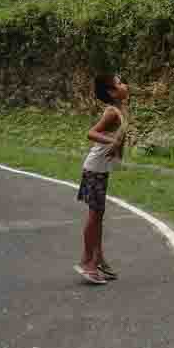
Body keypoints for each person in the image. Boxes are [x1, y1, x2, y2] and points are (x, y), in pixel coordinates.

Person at [75, 73, 128, 285]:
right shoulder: (111, 112)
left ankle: (98, 259)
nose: (125, 85)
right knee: (94, 216)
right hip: (95, 168)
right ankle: (87, 262)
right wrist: (113, 142)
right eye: (119, 83)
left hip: (102, 168)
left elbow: (121, 138)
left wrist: (118, 153)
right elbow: (91, 133)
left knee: (98, 215)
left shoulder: (121, 109)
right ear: (111, 92)